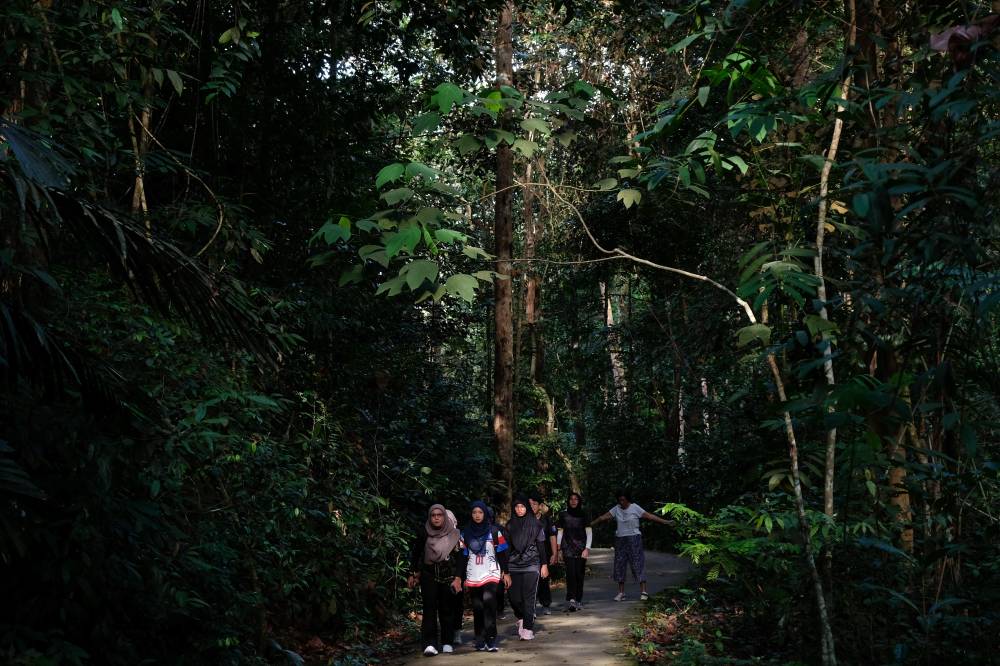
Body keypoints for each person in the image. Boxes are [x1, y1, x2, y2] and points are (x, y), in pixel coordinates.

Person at [590, 490, 671, 601]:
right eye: (620, 500)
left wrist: (665, 522)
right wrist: (589, 525)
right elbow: (602, 517)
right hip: (620, 540)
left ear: (628, 500)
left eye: (623, 500)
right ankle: (621, 593)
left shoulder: (635, 508)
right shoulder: (616, 508)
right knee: (619, 565)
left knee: (637, 563)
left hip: (634, 538)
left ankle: (643, 591)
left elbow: (649, 516)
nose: (621, 502)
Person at [408, 504, 463, 656]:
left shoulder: (454, 534)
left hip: (448, 576)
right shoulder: (424, 532)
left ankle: (447, 642)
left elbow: (460, 559)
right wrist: (412, 573)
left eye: (440, 515)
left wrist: (458, 577)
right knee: (429, 609)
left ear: (445, 516)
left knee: (447, 609)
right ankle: (430, 643)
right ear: (429, 517)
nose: (436, 518)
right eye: (433, 515)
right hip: (429, 575)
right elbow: (416, 553)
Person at [460, 500, 510, 652]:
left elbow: (502, 553)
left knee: (489, 605)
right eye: (474, 512)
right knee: (477, 608)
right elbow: (462, 556)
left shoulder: (495, 532)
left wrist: (506, 572)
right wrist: (459, 577)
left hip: (491, 573)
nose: (477, 515)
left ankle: (491, 640)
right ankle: (480, 639)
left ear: (485, 514)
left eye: (480, 512)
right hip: (473, 573)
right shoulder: (465, 533)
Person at [505, 495, 549, 640]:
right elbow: (506, 549)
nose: (519, 509)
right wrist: (504, 570)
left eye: (522, 506)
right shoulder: (510, 525)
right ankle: (522, 618)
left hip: (532, 564)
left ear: (527, 508)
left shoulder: (536, 525)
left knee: (528, 597)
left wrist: (544, 565)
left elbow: (541, 546)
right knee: (514, 598)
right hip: (513, 564)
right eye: (517, 507)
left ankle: (528, 628)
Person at [555, 491, 592, 611]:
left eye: (576, 499)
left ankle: (578, 600)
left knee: (579, 574)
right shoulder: (563, 515)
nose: (573, 501)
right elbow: (560, 532)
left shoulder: (584, 514)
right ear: (568, 501)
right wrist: (559, 548)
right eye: (571, 499)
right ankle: (571, 599)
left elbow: (589, 532)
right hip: (567, 547)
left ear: (579, 501)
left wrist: (587, 548)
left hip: (581, 548)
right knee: (570, 574)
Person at [528, 493, 558, 615]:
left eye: (534, 504)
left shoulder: (546, 520)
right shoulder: (525, 520)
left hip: (544, 554)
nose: (532, 506)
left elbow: (552, 537)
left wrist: (554, 553)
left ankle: (546, 604)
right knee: (530, 582)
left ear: (540, 506)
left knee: (543, 580)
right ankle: (531, 606)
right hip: (529, 556)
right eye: (529, 504)